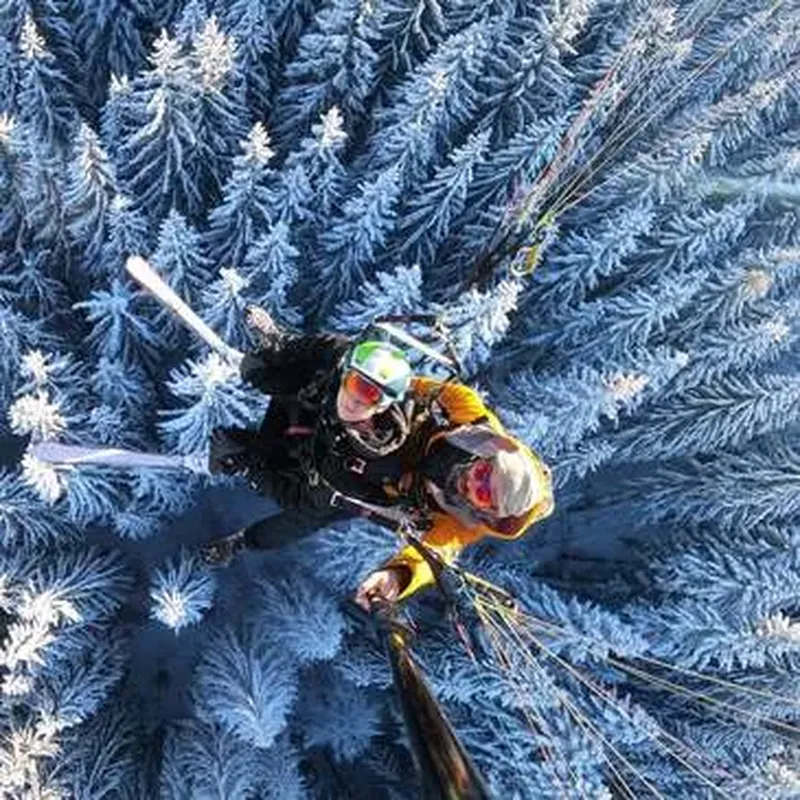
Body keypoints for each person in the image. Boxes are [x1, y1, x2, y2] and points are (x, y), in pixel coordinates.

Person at [199, 307, 418, 563]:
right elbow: (317, 349)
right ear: (346, 372)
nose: (354, 400)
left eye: (370, 395)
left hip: (313, 472)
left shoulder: (346, 473)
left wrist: (251, 471)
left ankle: (242, 524)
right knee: (281, 382)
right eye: (356, 384)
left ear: (382, 407)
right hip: (310, 419)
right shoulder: (338, 356)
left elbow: (300, 510)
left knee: (294, 495)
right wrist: (279, 347)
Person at [353, 380, 554, 609]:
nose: (473, 481)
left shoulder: (464, 524)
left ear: (488, 510)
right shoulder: (472, 418)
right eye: (484, 471)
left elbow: (434, 553)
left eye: (484, 493)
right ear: (486, 457)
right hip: (388, 422)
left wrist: (398, 577)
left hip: (370, 477)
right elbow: (414, 385)